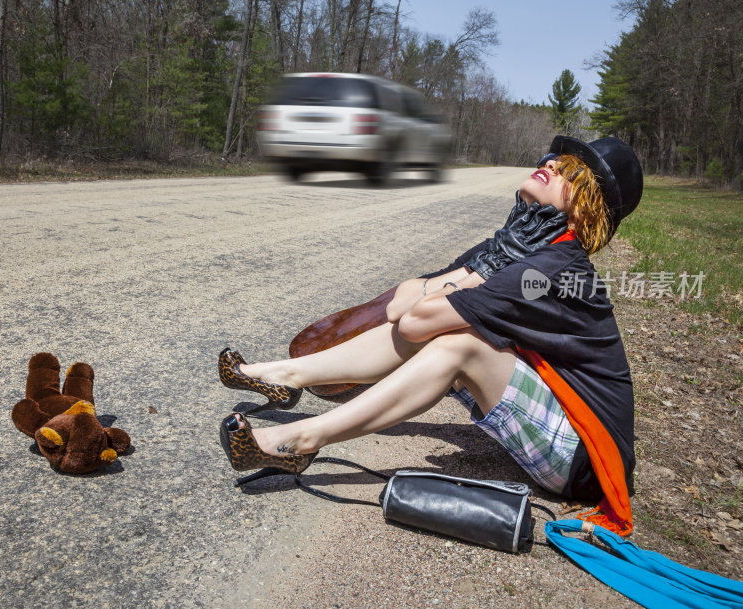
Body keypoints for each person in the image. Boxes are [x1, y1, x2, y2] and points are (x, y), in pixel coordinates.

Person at [217, 135, 644, 531]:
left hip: (583, 457)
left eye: (569, 172)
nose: (550, 163)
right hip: (552, 415)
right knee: (446, 321)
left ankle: (302, 439)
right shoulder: (523, 244)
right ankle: (284, 376)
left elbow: (419, 318)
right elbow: (402, 305)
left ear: (586, 209)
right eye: (554, 159)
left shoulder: (550, 270)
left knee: (460, 341)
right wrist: (490, 259)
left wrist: (487, 269)